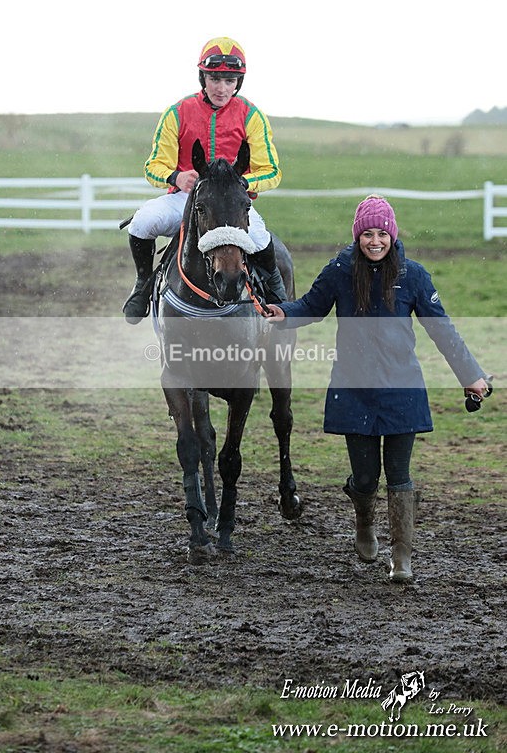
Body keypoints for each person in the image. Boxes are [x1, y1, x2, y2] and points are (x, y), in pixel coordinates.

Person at [265, 195, 490, 582]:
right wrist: (283, 312)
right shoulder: (340, 270)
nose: (375, 241)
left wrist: (471, 375)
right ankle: (364, 523)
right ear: (357, 236)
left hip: (402, 389)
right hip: (354, 389)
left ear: (392, 236)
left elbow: (442, 328)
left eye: (382, 234)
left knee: (399, 474)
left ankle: (402, 557)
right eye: (367, 234)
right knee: (366, 477)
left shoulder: (413, 275)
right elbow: (312, 306)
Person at [123, 36, 286, 323]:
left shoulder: (252, 116)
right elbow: (153, 166)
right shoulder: (177, 112)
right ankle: (142, 284)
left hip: (233, 205)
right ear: (203, 78)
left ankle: (278, 296)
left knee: (260, 237)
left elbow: (271, 171)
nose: (221, 88)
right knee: (142, 221)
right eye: (215, 79)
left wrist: (244, 183)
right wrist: (176, 176)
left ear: (238, 82)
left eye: (229, 81)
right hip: (186, 199)